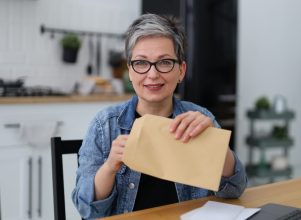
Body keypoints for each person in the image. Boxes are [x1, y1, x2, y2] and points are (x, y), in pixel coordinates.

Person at [72, 13, 247, 219]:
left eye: (164, 62)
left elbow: (235, 190)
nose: (152, 74)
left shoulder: (199, 118)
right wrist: (110, 167)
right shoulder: (104, 126)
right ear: (130, 71)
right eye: (141, 63)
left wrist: (215, 145)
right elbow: (86, 209)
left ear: (181, 70)